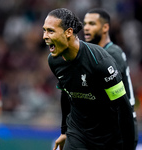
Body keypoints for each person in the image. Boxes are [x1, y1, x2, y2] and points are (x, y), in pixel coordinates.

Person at [42, 8, 135, 150]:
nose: (45, 36)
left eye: (51, 31)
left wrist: (128, 146)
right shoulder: (54, 61)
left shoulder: (100, 61)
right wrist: (64, 131)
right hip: (78, 133)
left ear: (68, 32)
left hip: (108, 136)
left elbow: (123, 107)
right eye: (44, 30)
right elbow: (66, 93)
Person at [83, 8, 138, 149]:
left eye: (92, 23)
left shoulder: (113, 54)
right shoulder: (98, 54)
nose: (86, 28)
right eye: (85, 24)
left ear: (105, 27)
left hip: (119, 131)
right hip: (105, 130)